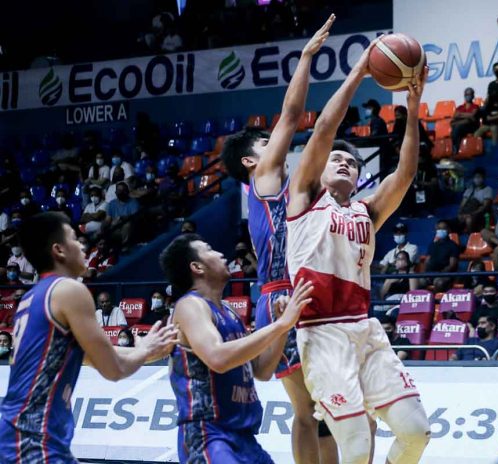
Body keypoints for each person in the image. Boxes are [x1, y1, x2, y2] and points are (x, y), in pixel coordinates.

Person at [285, 40, 431, 464]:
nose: (344, 162)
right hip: (323, 333)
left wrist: (413, 108)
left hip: (365, 330)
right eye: (336, 159)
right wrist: (359, 73)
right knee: (355, 446)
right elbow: (324, 129)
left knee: (416, 432)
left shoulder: (368, 210)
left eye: (351, 162)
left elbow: (405, 173)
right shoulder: (306, 198)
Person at [220, 16, 338, 464]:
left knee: (327, 406)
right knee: (307, 409)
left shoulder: (293, 186)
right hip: (282, 295)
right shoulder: (264, 180)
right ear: (253, 159)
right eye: (267, 143)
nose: (278, 145)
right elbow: (291, 116)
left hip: (308, 288)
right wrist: (306, 57)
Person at [0, 212, 177, 463]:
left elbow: (92, 357)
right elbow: (114, 370)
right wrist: (145, 350)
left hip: (26, 434)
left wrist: (150, 350)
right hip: (32, 437)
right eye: (74, 238)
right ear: (59, 250)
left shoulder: (31, 298)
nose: (82, 244)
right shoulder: (69, 290)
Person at [160, 233, 313, 463]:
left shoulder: (229, 311)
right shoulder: (190, 306)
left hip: (243, 438)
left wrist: (281, 328)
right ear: (197, 267)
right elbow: (217, 358)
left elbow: (262, 370)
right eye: (210, 249)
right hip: (209, 435)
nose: (221, 254)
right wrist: (281, 324)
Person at [424, 220, 460, 293]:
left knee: (439, 283)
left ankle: (436, 302)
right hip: (431, 274)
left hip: (444, 275)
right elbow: (427, 261)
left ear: (449, 230)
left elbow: (452, 265)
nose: (441, 230)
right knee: (417, 281)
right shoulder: (432, 245)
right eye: (439, 228)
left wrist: (440, 273)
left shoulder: (453, 246)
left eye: (443, 228)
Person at [457, 167, 494, 233]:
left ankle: (472, 236)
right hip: (468, 212)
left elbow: (485, 207)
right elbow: (463, 204)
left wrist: (472, 214)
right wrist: (460, 213)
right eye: (476, 177)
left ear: (483, 178)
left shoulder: (488, 190)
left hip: (480, 215)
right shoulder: (469, 190)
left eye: (479, 177)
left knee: (469, 220)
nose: (477, 179)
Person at [450, 87, 481, 153]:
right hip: (461, 127)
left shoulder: (475, 106)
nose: (468, 96)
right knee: (457, 128)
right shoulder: (460, 107)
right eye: (466, 94)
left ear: (473, 96)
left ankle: (455, 149)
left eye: (469, 94)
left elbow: (472, 115)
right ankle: (455, 149)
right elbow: (455, 116)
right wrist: (467, 116)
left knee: (457, 127)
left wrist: (460, 115)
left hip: (471, 127)